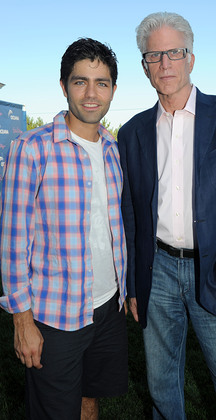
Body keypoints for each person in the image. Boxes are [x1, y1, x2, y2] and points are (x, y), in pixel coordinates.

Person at [118, 12, 216, 420]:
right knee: (161, 390)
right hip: (158, 272)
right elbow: (132, 212)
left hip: (215, 268)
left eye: (174, 52)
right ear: (145, 66)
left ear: (190, 58)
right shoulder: (132, 132)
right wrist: (136, 283)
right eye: (154, 56)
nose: (165, 63)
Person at [0, 38, 127, 420]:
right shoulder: (32, 148)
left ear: (113, 90)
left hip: (108, 305)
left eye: (101, 83)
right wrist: (22, 322)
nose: (91, 94)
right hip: (55, 316)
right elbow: (11, 241)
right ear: (63, 85)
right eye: (80, 81)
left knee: (90, 400)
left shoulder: (114, 150)